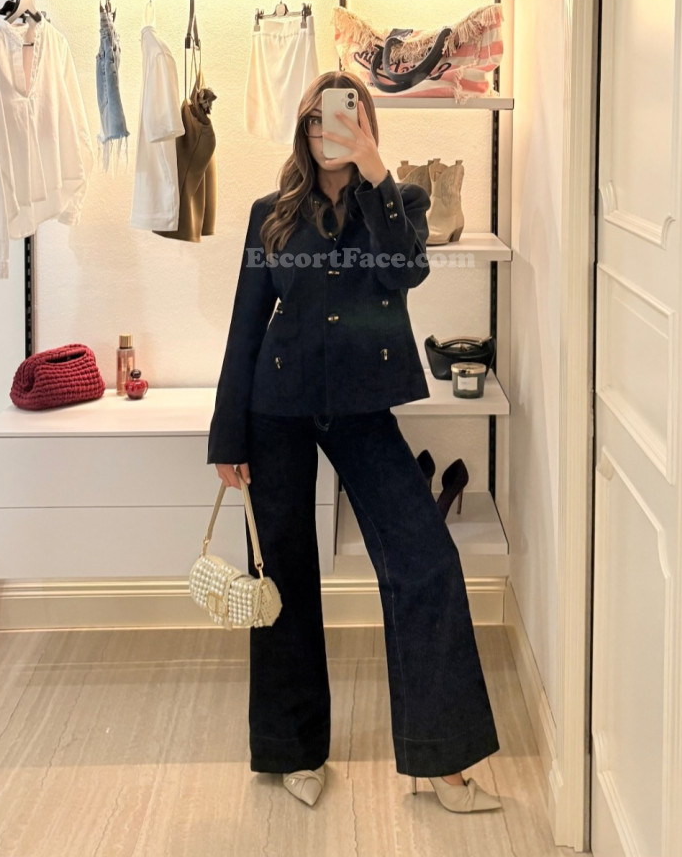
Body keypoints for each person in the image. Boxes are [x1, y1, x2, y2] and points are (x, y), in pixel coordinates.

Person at [207, 70, 501, 813]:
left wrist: (374, 172)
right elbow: (246, 323)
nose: (326, 132)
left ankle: (443, 762)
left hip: (363, 407)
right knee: (281, 574)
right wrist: (227, 433)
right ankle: (292, 750)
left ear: (366, 124)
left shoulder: (399, 202)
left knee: (425, 561)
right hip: (277, 407)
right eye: (315, 121)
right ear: (302, 131)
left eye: (342, 119)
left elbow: (406, 270)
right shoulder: (270, 214)